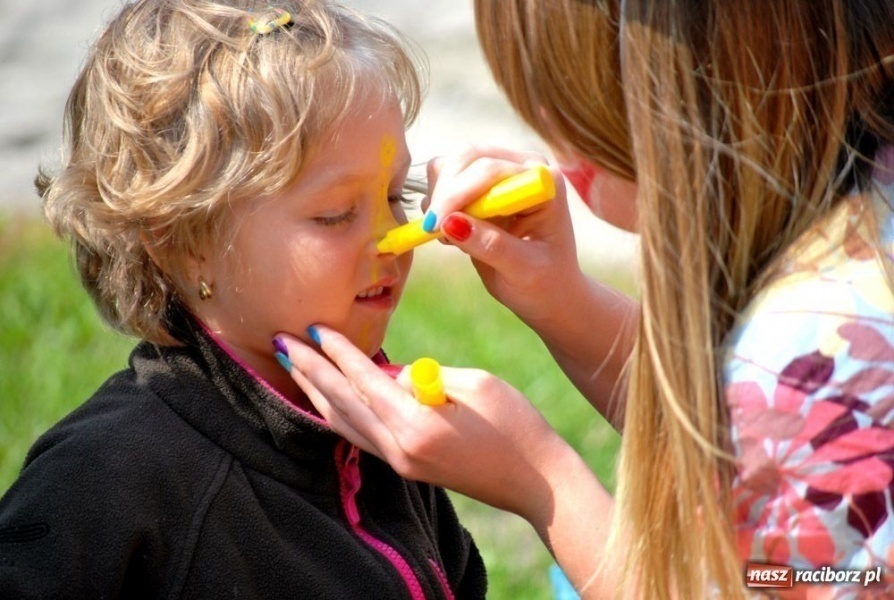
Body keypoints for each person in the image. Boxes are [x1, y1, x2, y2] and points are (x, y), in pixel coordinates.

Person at [273, 1, 894, 598]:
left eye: (562, 97)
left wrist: (543, 480)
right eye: (333, 215)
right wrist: (562, 301)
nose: (543, 127)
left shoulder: (824, 351)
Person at [0, 1, 487, 598]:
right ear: (184, 241)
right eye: (335, 215)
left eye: (394, 195)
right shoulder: (102, 482)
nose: (394, 236)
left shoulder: (383, 435)